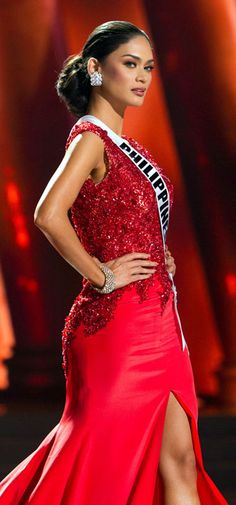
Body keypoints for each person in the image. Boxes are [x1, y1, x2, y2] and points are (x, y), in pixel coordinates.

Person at [0, 20, 229, 505]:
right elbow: (47, 213)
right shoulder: (90, 139)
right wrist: (101, 273)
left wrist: (157, 254)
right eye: (130, 65)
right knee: (101, 461)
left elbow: (123, 220)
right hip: (117, 329)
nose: (142, 76)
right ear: (94, 69)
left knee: (180, 461)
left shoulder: (131, 149)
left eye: (147, 66)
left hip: (162, 324)